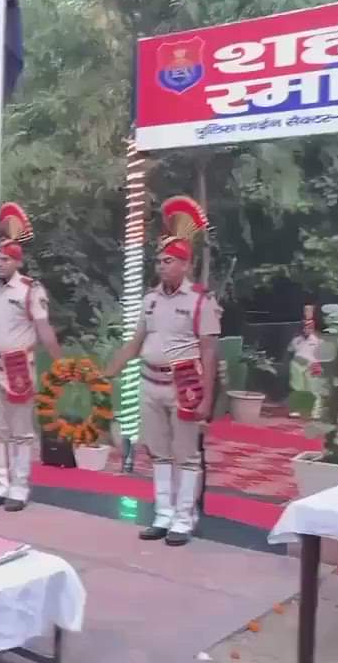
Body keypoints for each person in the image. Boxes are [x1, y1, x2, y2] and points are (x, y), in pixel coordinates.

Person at [104, 196, 219, 546]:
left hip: (184, 384)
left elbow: (209, 352)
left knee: (186, 455)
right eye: (159, 261)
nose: (161, 266)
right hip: (149, 382)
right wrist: (111, 369)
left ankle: (184, 518)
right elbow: (136, 341)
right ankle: (163, 515)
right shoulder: (151, 299)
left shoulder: (200, 301)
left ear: (185, 264)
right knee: (158, 452)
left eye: (168, 261)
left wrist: (207, 399)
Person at [0, 203, 62, 513]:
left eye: (5, 259)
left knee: (21, 431)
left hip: (17, 369)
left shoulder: (30, 290)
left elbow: (43, 328)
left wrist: (59, 362)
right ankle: (1, 484)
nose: (0, 263)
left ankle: (20, 486)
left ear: (18, 261)